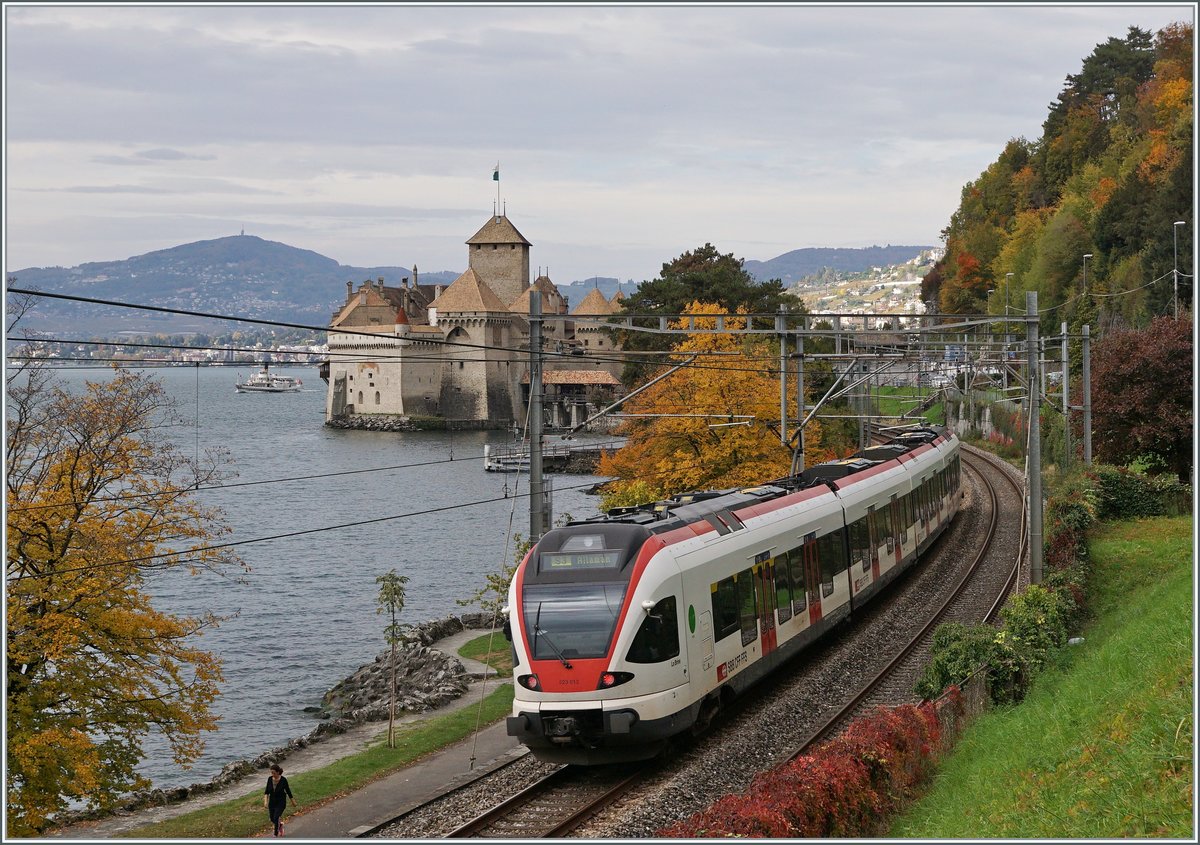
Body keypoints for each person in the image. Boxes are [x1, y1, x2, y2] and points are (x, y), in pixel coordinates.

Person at [263, 763, 295, 837]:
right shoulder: (269, 779)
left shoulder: (283, 780)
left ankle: (275, 834)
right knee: (272, 818)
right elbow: (266, 792)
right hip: (272, 803)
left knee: (276, 817)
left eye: (273, 773)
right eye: (271, 772)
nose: (272, 774)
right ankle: (280, 825)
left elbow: (288, 791)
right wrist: (265, 802)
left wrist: (293, 801)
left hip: (281, 802)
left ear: (278, 772)